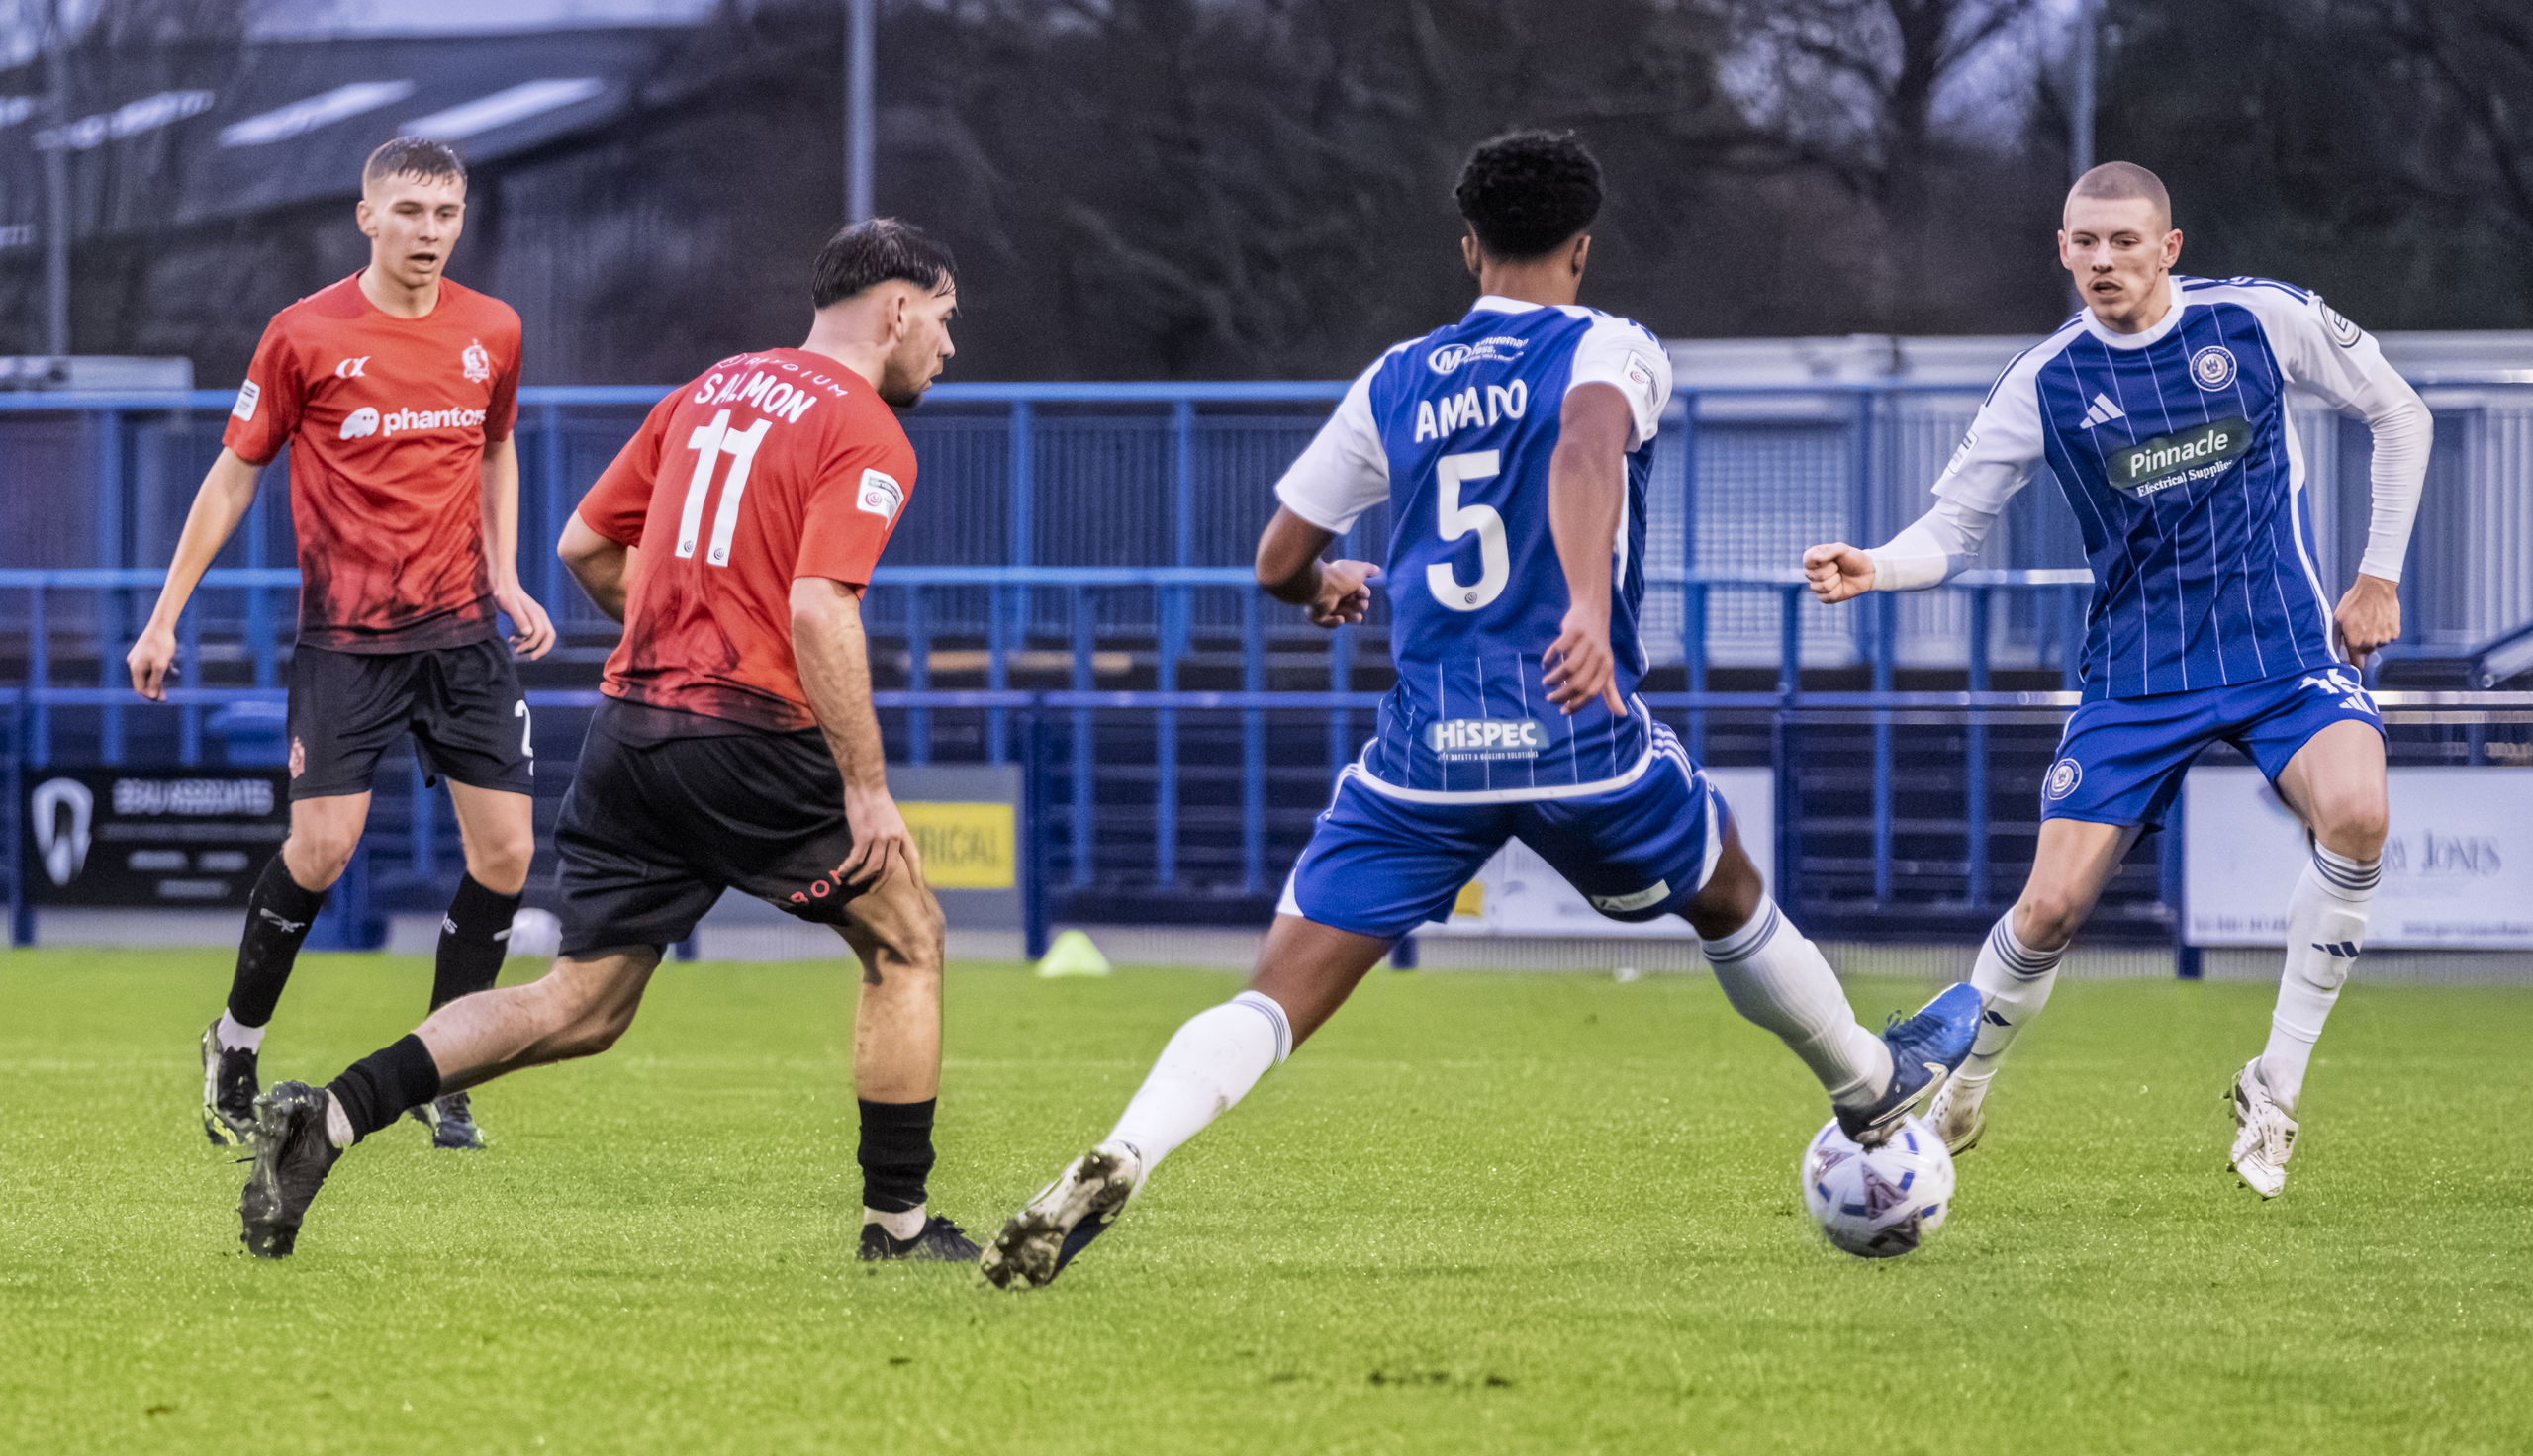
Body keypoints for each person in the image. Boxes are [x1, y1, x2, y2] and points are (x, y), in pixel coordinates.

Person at [981, 131, 1979, 1291]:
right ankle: (1867, 1080)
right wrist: (1588, 610)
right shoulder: (1609, 346)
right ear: (1581, 248)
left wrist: (1324, 584)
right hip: (1575, 726)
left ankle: (1127, 1147)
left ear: (1468, 248)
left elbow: (1276, 559)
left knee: (1275, 994)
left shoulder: (1395, 377)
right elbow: (1585, 447)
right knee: (1726, 888)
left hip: (1424, 753)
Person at [235, 219, 979, 1263]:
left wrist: (681, 635)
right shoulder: (866, 429)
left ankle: (333, 1115)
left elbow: (584, 543)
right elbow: (819, 606)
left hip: (631, 732)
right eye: (944, 318)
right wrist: (865, 786)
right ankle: (897, 1228)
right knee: (907, 940)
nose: (948, 345)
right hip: (753, 739)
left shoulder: (706, 390)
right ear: (897, 307)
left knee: (580, 1004)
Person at [1801, 162, 2429, 1197]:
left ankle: (2273, 1087)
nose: (2103, 260)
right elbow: (1953, 528)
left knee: (2358, 815)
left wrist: (2378, 576)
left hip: (2281, 651)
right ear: (2063, 250)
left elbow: (2399, 413)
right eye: (2085, 243)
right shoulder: (2044, 380)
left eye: (2124, 242)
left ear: (2167, 248)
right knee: (2048, 909)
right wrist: (1878, 564)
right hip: (2138, 675)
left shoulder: (2257, 320)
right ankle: (1965, 1090)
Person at [130, 137, 554, 1153]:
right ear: (367, 217)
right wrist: (164, 613)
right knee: (321, 850)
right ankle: (234, 1044)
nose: (429, 232)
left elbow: (495, 447)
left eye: (446, 213)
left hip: (463, 635)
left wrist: (505, 573)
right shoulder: (303, 334)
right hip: (347, 642)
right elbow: (234, 474)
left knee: (506, 853)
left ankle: (445, 1070)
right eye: (409, 211)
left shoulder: (493, 328)